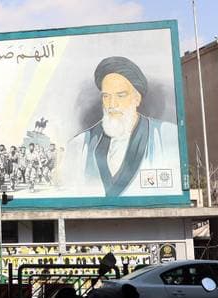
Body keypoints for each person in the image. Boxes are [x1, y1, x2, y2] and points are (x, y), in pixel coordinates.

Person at [63, 56, 180, 196]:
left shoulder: (166, 135)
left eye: (120, 95)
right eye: (106, 96)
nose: (112, 104)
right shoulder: (79, 144)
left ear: (137, 99)